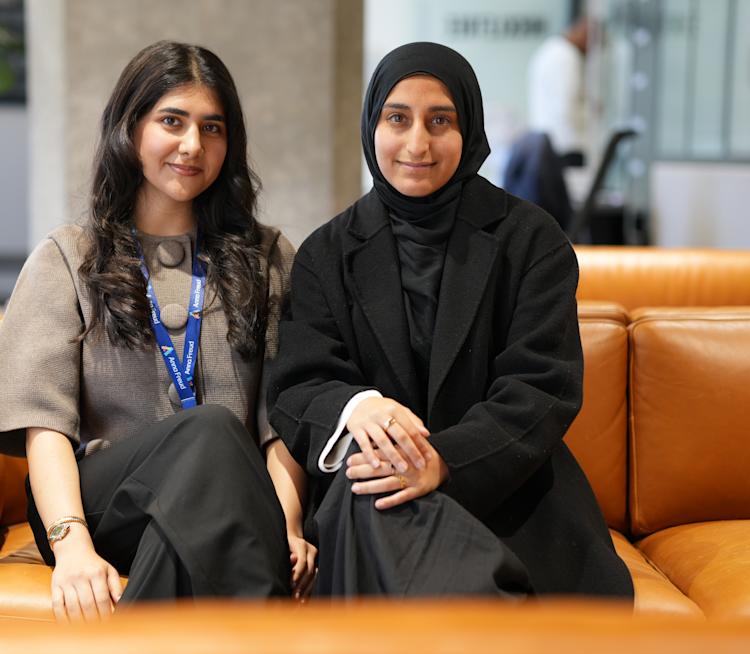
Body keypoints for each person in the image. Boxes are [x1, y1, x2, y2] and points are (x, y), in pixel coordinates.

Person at [267, 42, 633, 599]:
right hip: (372, 490)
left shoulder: (531, 241)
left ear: (470, 131)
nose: (417, 143)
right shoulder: (327, 253)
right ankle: (487, 611)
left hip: (507, 491)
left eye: (441, 120)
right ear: (372, 127)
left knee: (375, 492)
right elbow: (299, 385)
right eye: (398, 118)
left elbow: (542, 388)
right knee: (372, 482)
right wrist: (358, 406)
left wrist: (442, 461)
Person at [0, 41, 314, 622]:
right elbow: (44, 427)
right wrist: (72, 545)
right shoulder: (70, 257)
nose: (192, 145)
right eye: (171, 122)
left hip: (227, 505)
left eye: (212, 128)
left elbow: (282, 421)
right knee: (207, 432)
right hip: (97, 505)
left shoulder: (267, 257)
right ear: (130, 130)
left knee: (198, 513)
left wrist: (288, 525)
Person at [527, 13, 589, 166]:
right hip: (564, 144)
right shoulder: (567, 56)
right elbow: (567, 105)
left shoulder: (551, 49)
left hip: (549, 142)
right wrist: (590, 112)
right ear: (583, 30)